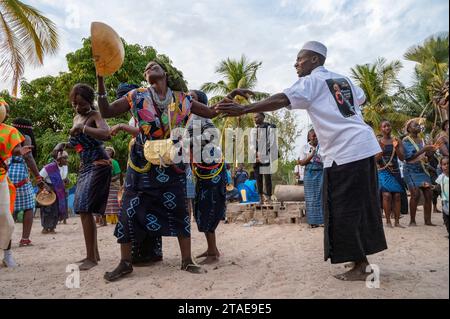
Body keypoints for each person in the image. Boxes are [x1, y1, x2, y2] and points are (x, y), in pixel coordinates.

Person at [217, 41, 388, 281]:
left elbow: (281, 99)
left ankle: (361, 265)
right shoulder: (342, 80)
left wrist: (243, 109)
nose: (295, 63)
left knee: (342, 208)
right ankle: (360, 260)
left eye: (300, 59)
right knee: (360, 206)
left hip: (345, 150)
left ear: (315, 60)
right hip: (362, 146)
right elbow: (362, 99)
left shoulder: (311, 81)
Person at [96, 59, 226, 281]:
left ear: (166, 73)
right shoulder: (136, 96)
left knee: (179, 211)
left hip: (171, 162)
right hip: (141, 164)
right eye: (146, 68)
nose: (148, 68)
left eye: (154, 65)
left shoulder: (183, 98)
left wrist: (232, 96)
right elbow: (106, 111)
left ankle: (187, 261)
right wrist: (100, 78)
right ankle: (125, 263)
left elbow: (212, 112)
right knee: (128, 211)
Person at [54, 83, 112, 271]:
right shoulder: (76, 117)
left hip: (99, 164)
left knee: (85, 208)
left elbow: (106, 134)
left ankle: (91, 258)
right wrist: (62, 145)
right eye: (75, 104)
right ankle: (93, 254)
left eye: (82, 104)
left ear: (90, 101)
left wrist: (83, 128)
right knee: (82, 208)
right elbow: (77, 144)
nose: (78, 107)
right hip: (85, 165)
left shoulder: (95, 115)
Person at [109, 83, 163, 267]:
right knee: (142, 211)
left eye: (123, 99)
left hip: (148, 172)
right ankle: (145, 253)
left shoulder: (146, 112)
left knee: (142, 211)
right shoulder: (135, 117)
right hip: (139, 171)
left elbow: (146, 132)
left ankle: (148, 253)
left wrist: (123, 126)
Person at [187, 90, 227, 264]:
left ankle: (213, 252)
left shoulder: (203, 119)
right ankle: (212, 248)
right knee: (201, 208)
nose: (188, 99)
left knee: (208, 207)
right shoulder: (191, 118)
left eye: (192, 98)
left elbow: (211, 136)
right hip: (202, 170)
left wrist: (185, 141)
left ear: (201, 102)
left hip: (212, 170)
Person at [0, 98, 36, 267]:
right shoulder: (21, 134)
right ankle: (22, 240)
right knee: (24, 208)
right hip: (16, 177)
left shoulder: (10, 131)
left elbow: (16, 150)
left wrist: (18, 150)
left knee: (6, 216)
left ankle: (7, 254)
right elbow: (25, 155)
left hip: (3, 178)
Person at [8, 118, 44, 247]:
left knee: (10, 207)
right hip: (20, 175)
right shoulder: (25, 137)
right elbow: (28, 156)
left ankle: (7, 239)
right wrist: (38, 177)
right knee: (28, 206)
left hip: (6, 172)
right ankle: (25, 239)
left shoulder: (9, 134)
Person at [402, 119, 440, 226]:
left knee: (429, 194)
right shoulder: (406, 140)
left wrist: (431, 150)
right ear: (409, 128)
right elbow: (409, 157)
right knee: (415, 194)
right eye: (415, 125)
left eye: (418, 125)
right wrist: (424, 149)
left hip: (422, 170)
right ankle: (412, 221)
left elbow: (428, 156)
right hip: (410, 170)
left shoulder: (422, 140)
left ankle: (428, 221)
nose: (418, 127)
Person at [375, 120, 406, 228]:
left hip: (396, 171)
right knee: (386, 195)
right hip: (383, 171)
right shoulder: (377, 141)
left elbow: (402, 158)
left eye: (388, 125)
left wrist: (396, 147)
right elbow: (374, 159)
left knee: (397, 196)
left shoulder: (397, 140)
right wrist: (381, 152)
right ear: (381, 129)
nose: (387, 128)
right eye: (384, 126)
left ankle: (397, 222)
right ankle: (388, 221)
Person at [39, 149, 69, 233]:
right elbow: (39, 178)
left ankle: (52, 227)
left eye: (67, 158)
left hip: (59, 190)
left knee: (56, 209)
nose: (67, 160)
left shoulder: (65, 167)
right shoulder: (49, 167)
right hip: (49, 190)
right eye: (65, 158)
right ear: (58, 159)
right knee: (47, 209)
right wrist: (45, 187)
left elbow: (63, 177)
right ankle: (45, 228)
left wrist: (66, 180)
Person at [299, 129, 324, 228]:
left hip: (321, 173)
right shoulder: (304, 148)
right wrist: (311, 154)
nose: (315, 137)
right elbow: (301, 162)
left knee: (321, 196)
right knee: (311, 198)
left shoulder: (323, 147)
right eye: (313, 136)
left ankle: (322, 221)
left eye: (317, 135)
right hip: (309, 175)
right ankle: (312, 222)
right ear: (309, 137)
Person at [253, 113, 277, 203]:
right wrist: (256, 155)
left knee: (267, 177)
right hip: (256, 157)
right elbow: (252, 144)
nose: (255, 119)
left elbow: (271, 142)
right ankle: (261, 197)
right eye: (254, 118)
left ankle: (269, 196)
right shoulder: (254, 130)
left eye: (257, 117)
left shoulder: (269, 127)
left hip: (265, 155)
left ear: (263, 117)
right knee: (258, 178)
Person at [104, 147, 121, 225]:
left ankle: (117, 220)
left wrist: (109, 180)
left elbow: (118, 175)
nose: (107, 151)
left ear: (112, 153)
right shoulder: (102, 162)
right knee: (106, 203)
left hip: (113, 185)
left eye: (109, 151)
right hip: (105, 185)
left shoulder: (114, 162)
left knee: (114, 202)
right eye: (106, 150)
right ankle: (105, 221)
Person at [435, 156, 449, 236]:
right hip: (445, 201)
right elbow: (437, 187)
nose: (446, 166)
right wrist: (430, 186)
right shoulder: (441, 177)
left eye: (448, 164)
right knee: (446, 218)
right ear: (441, 166)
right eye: (444, 164)